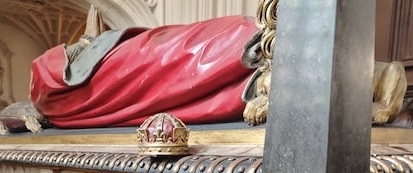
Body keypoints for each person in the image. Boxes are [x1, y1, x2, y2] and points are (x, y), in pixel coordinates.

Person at [29, 10, 260, 128]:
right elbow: (56, 78)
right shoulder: (51, 95)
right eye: (71, 51)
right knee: (176, 51)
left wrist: (91, 44)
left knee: (172, 44)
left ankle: (249, 43)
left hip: (122, 62)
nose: (74, 49)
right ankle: (248, 45)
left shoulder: (62, 101)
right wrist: (87, 42)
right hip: (119, 71)